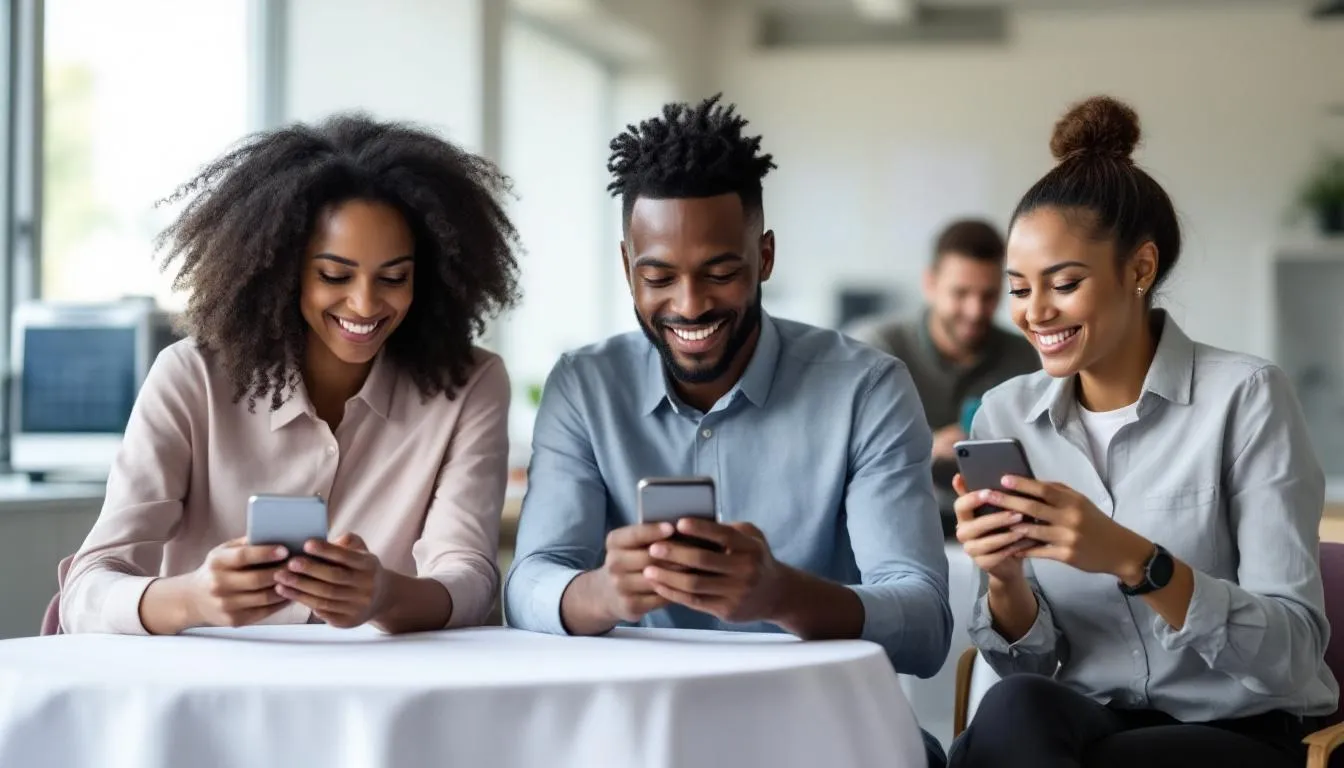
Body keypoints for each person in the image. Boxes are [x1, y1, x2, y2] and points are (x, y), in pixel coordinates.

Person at [503, 94, 952, 767]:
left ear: (764, 257)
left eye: (720, 273)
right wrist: (601, 592)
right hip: (638, 738)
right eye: (658, 276)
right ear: (628, 267)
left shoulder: (867, 389)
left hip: (821, 738)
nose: (689, 305)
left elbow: (925, 625)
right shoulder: (585, 387)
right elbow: (529, 582)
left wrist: (781, 594)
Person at [948, 96, 1338, 768]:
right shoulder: (1007, 413)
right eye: (1018, 289)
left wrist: (1137, 560)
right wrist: (1005, 581)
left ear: (1140, 269)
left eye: (1063, 283)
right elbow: (1026, 667)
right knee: (1010, 710)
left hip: (1235, 731)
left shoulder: (1245, 398)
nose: (1035, 313)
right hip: (1085, 723)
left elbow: (1294, 657)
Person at [56, 114, 521, 636]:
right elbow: (86, 590)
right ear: (282, 267)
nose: (365, 303)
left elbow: (471, 581)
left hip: (380, 693)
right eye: (333, 275)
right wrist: (193, 598)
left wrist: (387, 596)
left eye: (394, 278)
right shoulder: (191, 377)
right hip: (208, 694)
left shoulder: (470, 384)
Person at [846, 220, 1038, 528]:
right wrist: (925, 446)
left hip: (998, 521)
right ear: (930, 284)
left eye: (988, 296)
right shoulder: (875, 347)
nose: (975, 310)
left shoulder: (1026, 356)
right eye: (960, 293)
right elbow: (846, 448)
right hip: (894, 518)